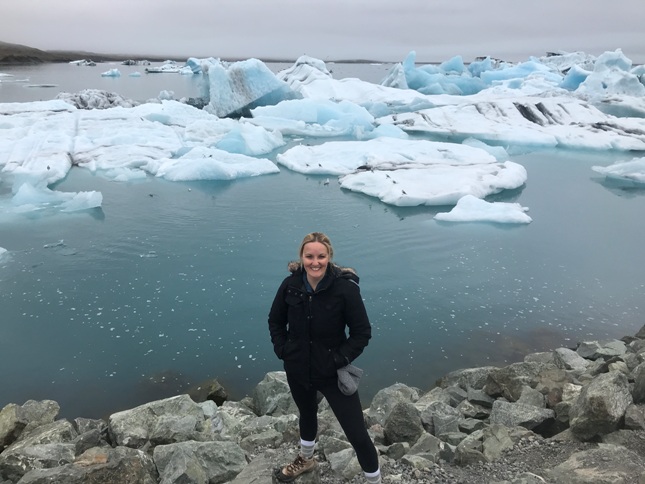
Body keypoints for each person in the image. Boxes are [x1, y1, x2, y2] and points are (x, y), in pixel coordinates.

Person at [268, 232, 381, 483]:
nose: (315, 262)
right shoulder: (291, 285)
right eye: (309, 256)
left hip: (332, 373)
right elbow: (275, 321)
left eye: (321, 256)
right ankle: (306, 460)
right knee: (307, 414)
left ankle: (375, 480)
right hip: (298, 369)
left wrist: (337, 360)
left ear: (329, 257)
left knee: (357, 433)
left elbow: (362, 333)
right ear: (302, 257)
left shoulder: (345, 289)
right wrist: (283, 350)